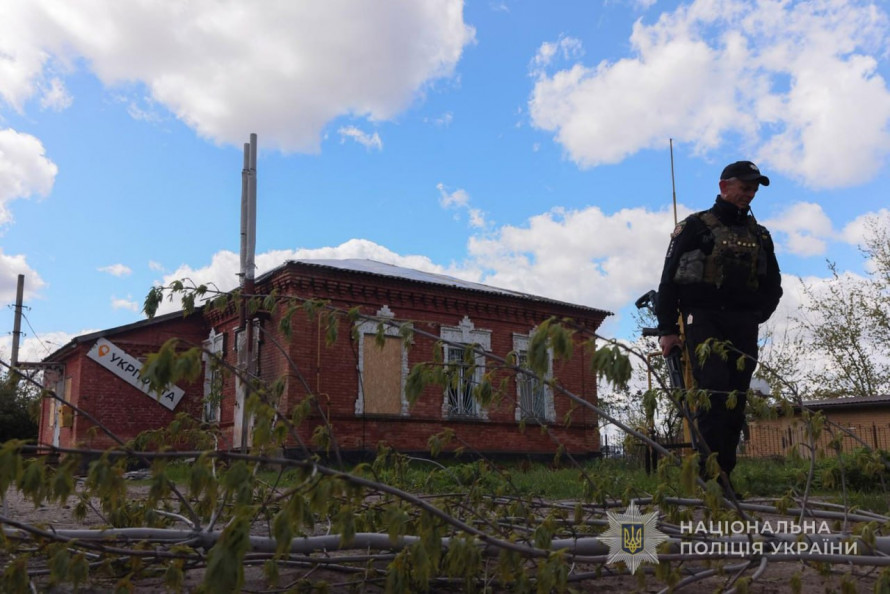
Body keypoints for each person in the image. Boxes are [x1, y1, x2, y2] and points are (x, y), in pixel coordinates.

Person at [655, 160, 783, 494]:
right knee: (713, 393)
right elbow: (668, 281)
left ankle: (724, 476)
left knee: (735, 399)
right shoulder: (694, 227)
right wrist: (667, 329)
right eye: (744, 187)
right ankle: (710, 479)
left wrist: (756, 315)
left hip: (743, 323)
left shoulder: (760, 235)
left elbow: (773, 283)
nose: (749, 194)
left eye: (753, 189)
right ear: (724, 186)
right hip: (703, 319)